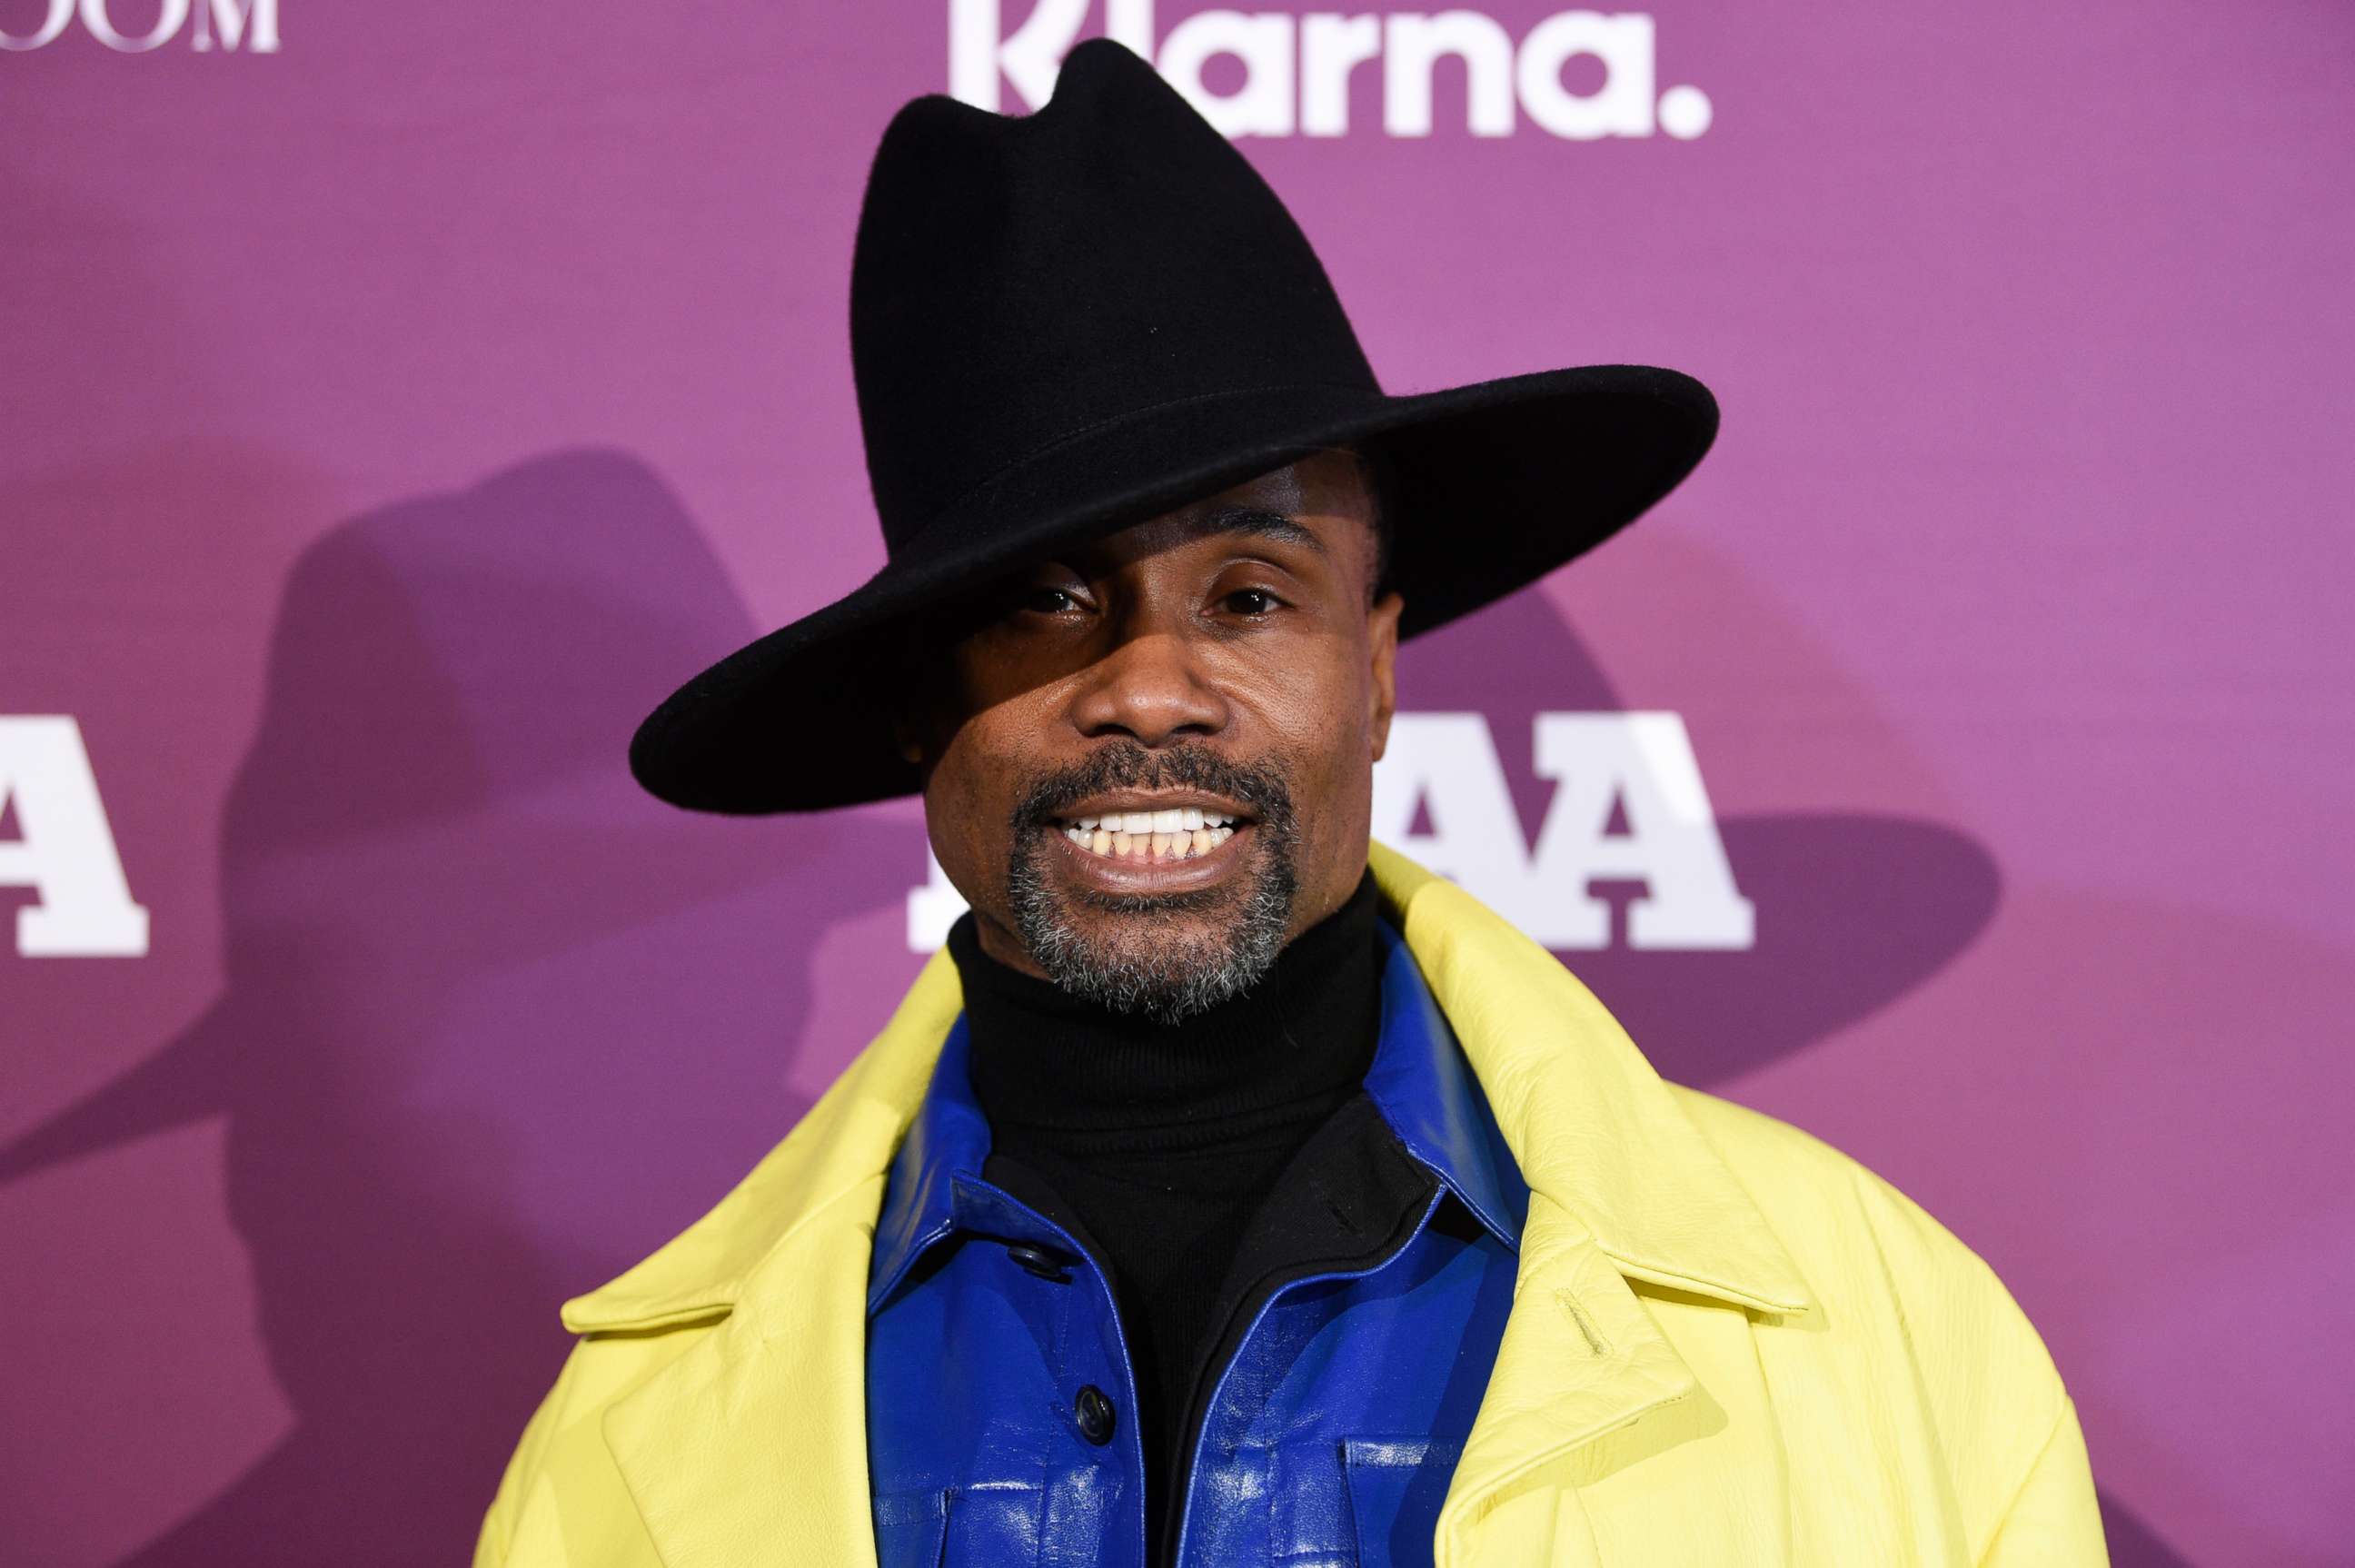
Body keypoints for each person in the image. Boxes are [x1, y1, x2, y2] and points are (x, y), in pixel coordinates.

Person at [474, 37, 2108, 1568]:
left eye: (1252, 593)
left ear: (1378, 663)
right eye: (1040, 599)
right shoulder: (629, 1442)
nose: (1151, 682)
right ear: (915, 705)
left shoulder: (1889, 1338)